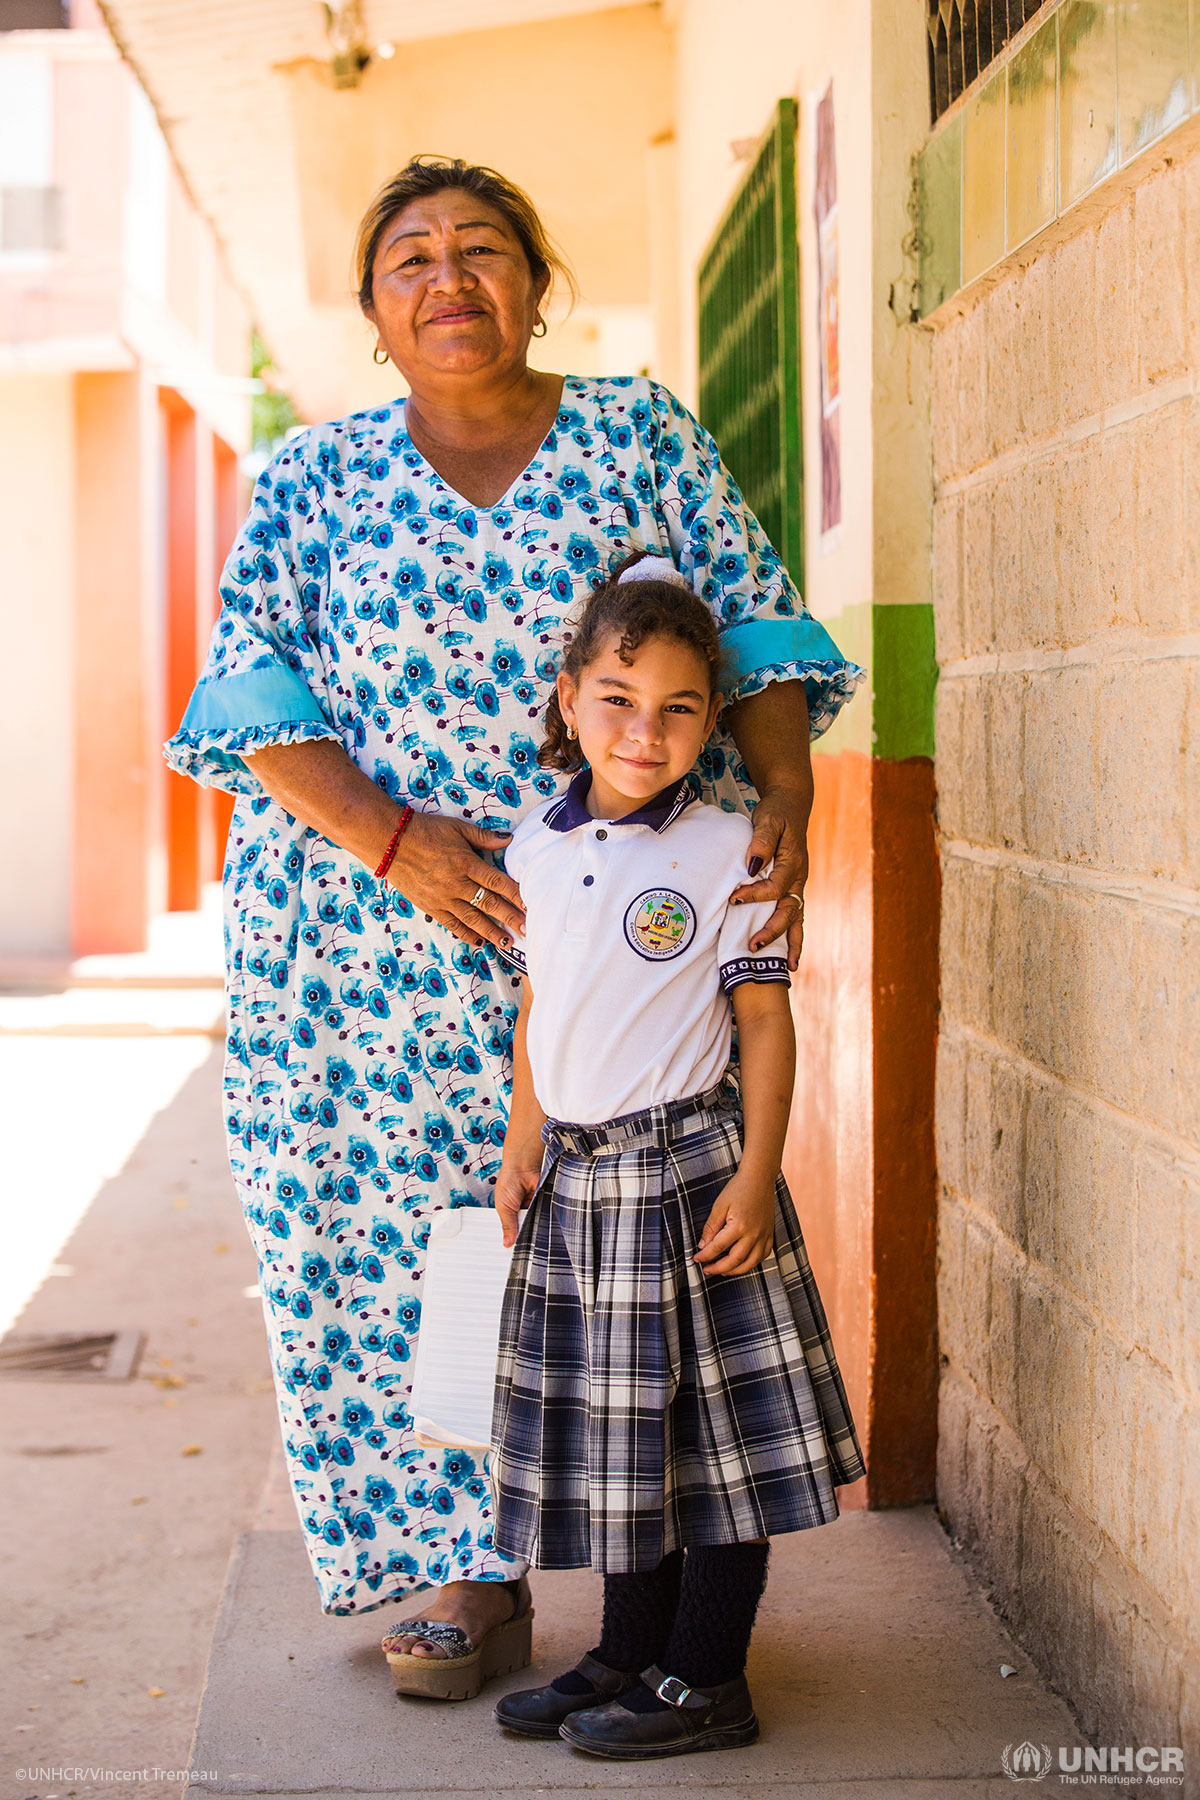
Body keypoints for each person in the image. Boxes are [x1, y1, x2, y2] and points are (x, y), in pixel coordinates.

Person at [163, 153, 863, 1696]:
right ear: (371, 311)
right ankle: (472, 1574)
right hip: (375, 943)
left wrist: (791, 804)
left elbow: (749, 629)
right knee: (441, 1243)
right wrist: (394, 839)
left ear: (537, 281)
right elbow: (252, 701)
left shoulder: (636, 433)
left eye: (483, 249)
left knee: (618, 1247)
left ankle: (656, 1597)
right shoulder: (310, 478)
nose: (449, 277)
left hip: (622, 927)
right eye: (409, 258)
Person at [488, 554, 866, 1760]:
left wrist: (758, 1176)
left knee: (715, 1444)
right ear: (567, 695)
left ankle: (708, 1679)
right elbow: (542, 1006)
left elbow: (764, 1020)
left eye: (678, 708)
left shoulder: (729, 853)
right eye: (617, 699)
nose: (644, 733)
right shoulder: (535, 844)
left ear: (711, 718)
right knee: (620, 1436)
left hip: (695, 1177)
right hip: (581, 1186)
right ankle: (627, 1652)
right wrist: (520, 1145)